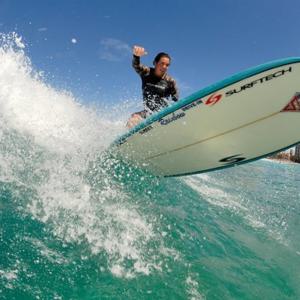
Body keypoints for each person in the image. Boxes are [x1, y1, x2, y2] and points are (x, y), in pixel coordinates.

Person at [126, 45, 179, 128]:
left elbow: (176, 101)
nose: (164, 67)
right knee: (133, 118)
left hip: (164, 113)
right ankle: (127, 140)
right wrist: (136, 56)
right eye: (162, 63)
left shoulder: (170, 81)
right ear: (155, 63)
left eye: (167, 65)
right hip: (149, 112)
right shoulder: (147, 72)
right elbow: (136, 66)